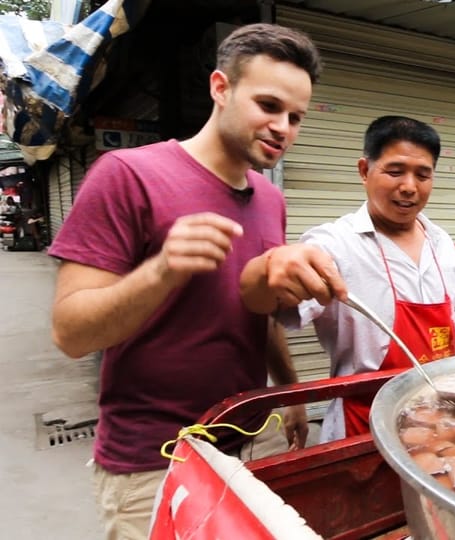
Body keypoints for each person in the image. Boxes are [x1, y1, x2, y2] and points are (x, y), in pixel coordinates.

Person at [48, 23, 323, 539]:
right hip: (155, 461)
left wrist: (289, 392)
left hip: (248, 440)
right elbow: (70, 332)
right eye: (268, 105)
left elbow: (256, 312)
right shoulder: (126, 175)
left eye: (295, 117)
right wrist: (162, 269)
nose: (282, 126)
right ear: (221, 88)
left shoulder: (271, 200)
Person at [240, 116, 455, 442]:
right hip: (362, 424)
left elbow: (453, 321)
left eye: (423, 175)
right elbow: (265, 305)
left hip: (437, 416)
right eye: (395, 172)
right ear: (365, 170)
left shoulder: (441, 242)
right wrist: (269, 267)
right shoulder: (334, 243)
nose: (409, 186)